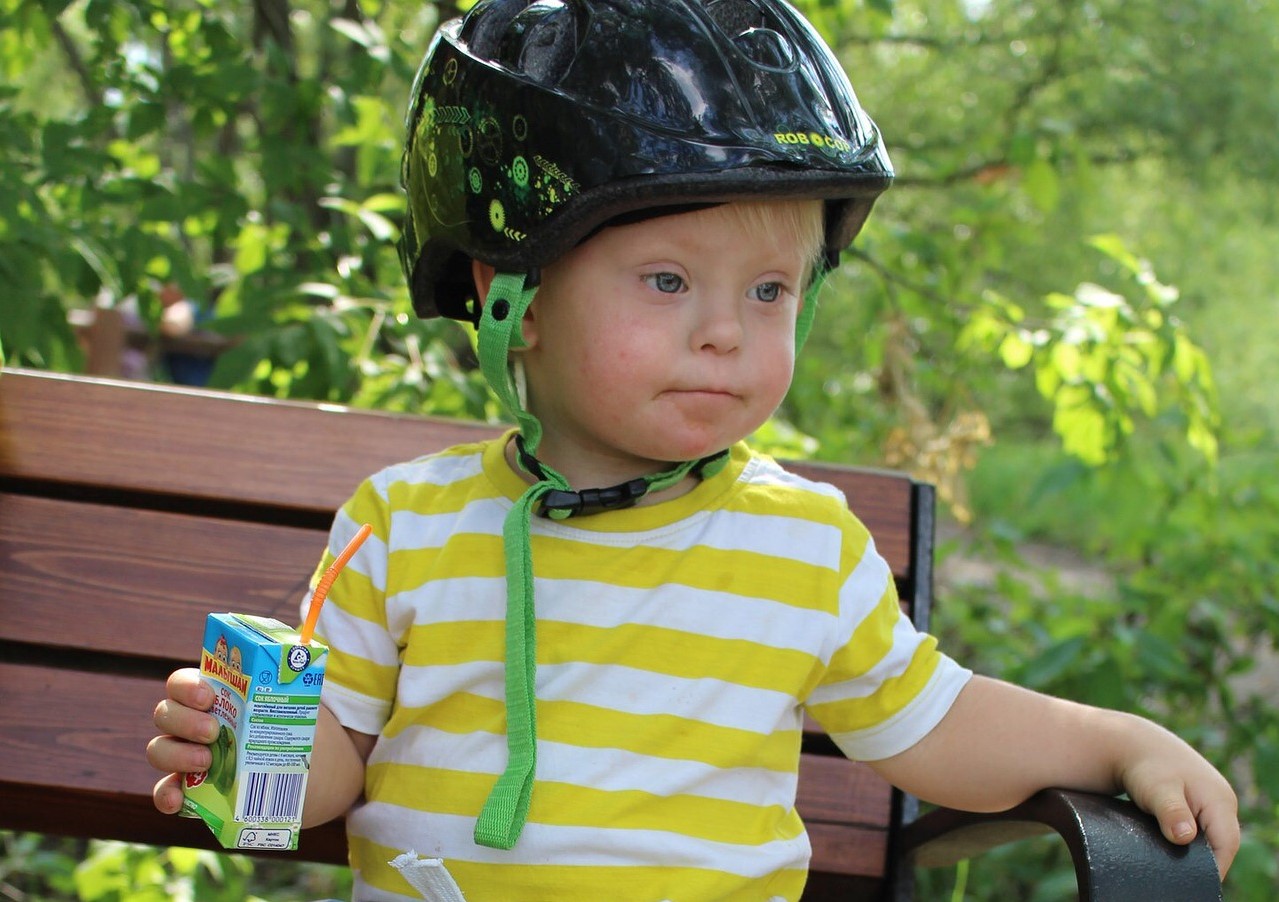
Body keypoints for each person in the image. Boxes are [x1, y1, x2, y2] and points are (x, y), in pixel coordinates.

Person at [147, 1, 1240, 899]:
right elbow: (329, 760)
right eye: (667, 280)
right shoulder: (406, 524)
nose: (726, 329)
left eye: (768, 291)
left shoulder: (802, 547)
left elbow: (937, 724)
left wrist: (1114, 741)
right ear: (510, 296)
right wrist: (246, 749)